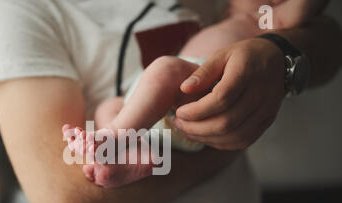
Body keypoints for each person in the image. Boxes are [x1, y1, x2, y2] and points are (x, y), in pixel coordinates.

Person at [0, 0, 342, 203]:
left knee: (160, 75)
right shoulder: (17, 10)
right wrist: (239, 134)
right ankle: (128, 148)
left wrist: (280, 54)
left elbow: (327, 36)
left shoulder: (264, 19)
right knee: (129, 96)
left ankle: (125, 143)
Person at [62, 0, 329, 189]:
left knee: (164, 70)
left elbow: (305, 14)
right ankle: (138, 155)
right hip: (162, 112)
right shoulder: (225, 15)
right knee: (109, 105)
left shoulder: (270, 21)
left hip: (199, 101)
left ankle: (115, 136)